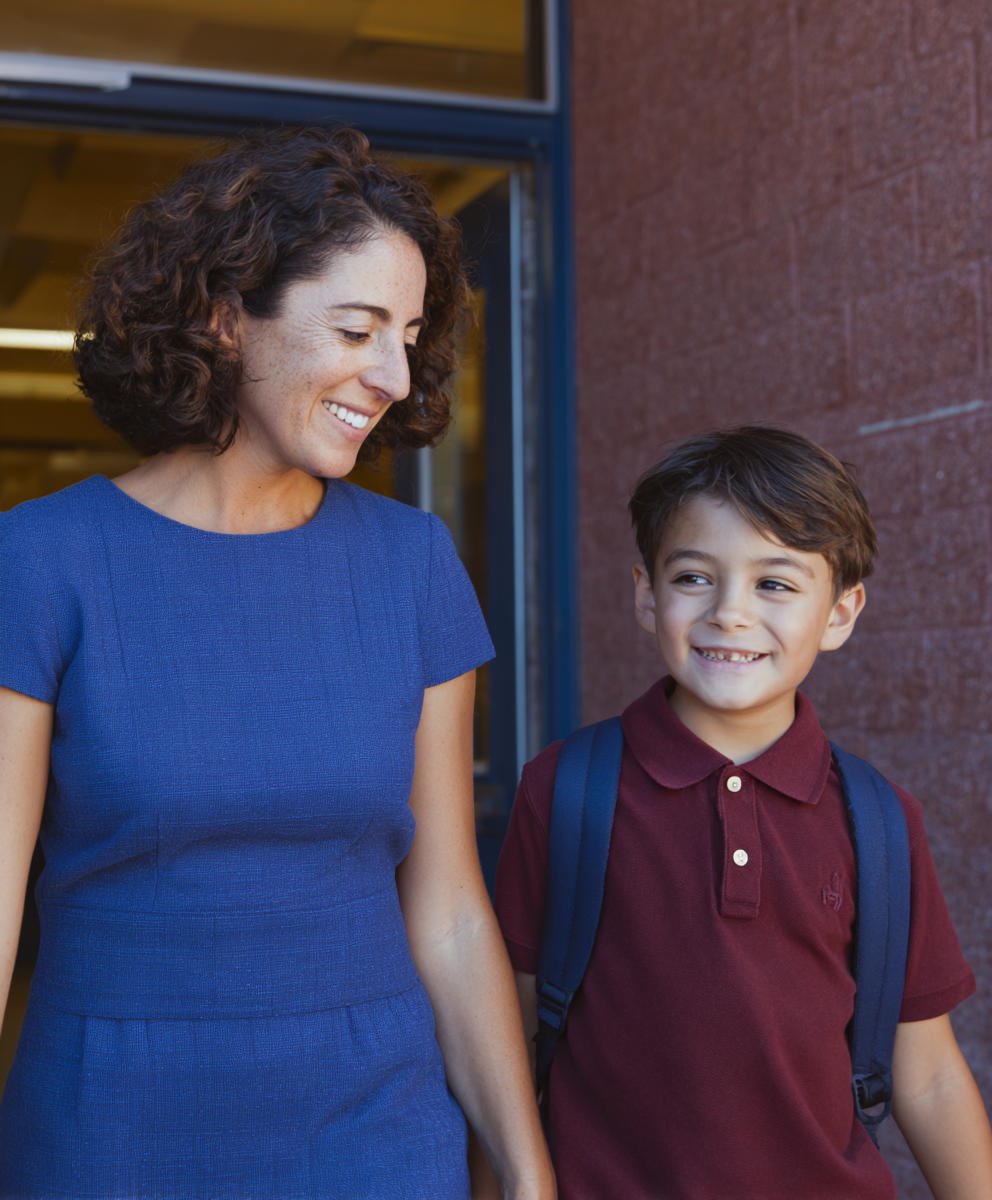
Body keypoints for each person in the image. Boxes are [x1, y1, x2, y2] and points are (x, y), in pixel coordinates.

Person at [0, 126, 554, 1200]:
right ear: (224, 317)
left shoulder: (412, 565)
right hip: (108, 1129)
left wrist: (527, 1176)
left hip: (374, 1130)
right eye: (356, 329)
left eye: (407, 333)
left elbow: (444, 906)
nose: (392, 373)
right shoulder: (39, 561)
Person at [495, 426, 992, 1200]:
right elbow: (507, 1045)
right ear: (645, 592)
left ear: (840, 612)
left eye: (776, 584)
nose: (730, 613)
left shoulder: (881, 822)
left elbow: (926, 1076)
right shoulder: (565, 791)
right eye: (694, 577)